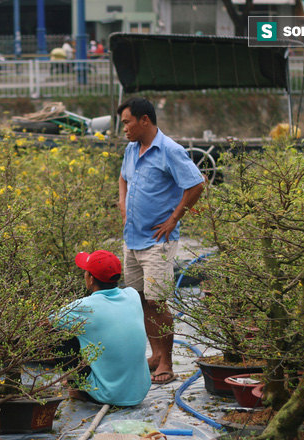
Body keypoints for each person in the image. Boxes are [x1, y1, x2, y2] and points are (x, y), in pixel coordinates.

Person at [117, 97, 205, 385]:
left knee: (157, 301)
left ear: (145, 120)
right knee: (140, 300)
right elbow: (123, 179)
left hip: (158, 241)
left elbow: (196, 184)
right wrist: (122, 201)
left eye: (127, 122)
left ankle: (166, 361)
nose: (125, 129)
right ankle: (154, 354)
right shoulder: (131, 149)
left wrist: (174, 218)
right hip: (132, 239)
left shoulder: (169, 150)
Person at [51, 250, 151, 406]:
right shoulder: (133, 295)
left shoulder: (84, 307)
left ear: (91, 279)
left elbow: (45, 322)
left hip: (107, 395)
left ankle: (80, 388)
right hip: (140, 391)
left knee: (59, 336)